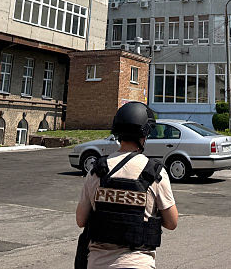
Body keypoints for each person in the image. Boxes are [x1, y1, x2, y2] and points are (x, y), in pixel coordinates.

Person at [75, 101, 179, 269]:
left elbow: (81, 220)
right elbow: (172, 222)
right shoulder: (154, 173)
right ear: (144, 135)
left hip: (98, 263)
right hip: (138, 263)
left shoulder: (97, 171)